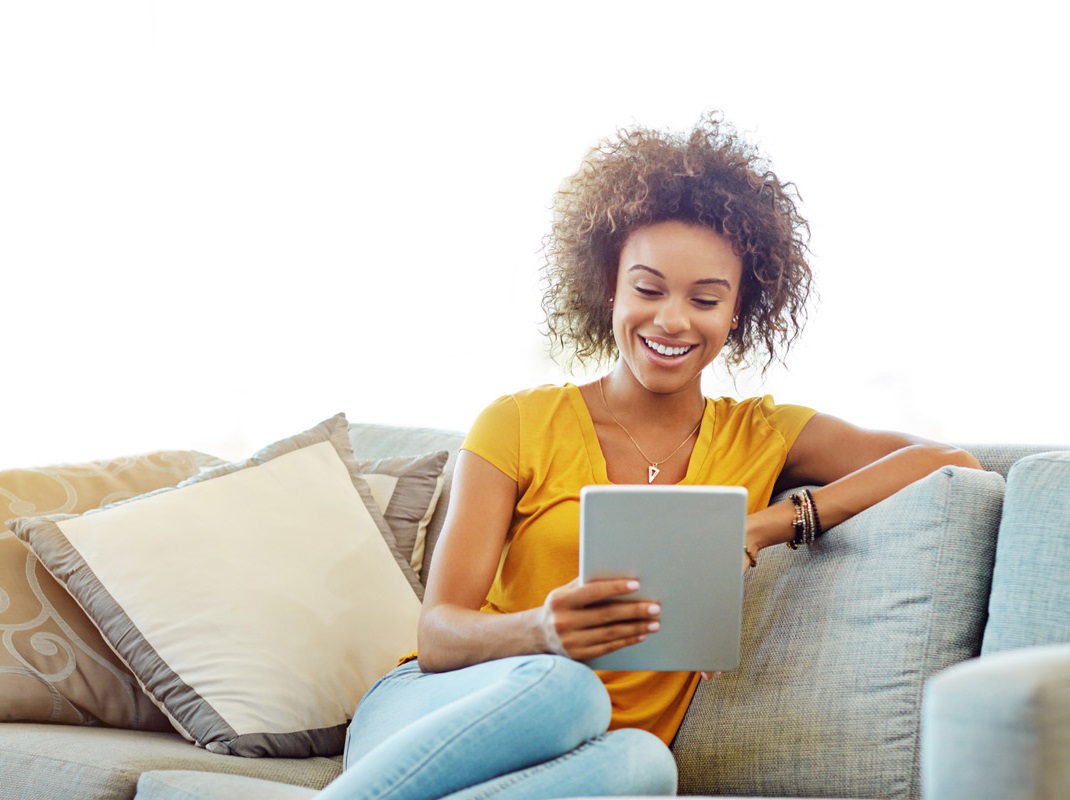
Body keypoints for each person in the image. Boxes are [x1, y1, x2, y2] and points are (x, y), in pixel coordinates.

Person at [316, 113, 981, 800]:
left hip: (582, 758)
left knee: (646, 767)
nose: (671, 320)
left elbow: (949, 460)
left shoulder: (761, 435)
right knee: (567, 689)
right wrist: (542, 629)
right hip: (438, 712)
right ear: (609, 286)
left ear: (737, 312)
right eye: (648, 288)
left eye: (705, 299)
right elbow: (439, 635)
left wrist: (764, 527)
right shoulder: (518, 422)